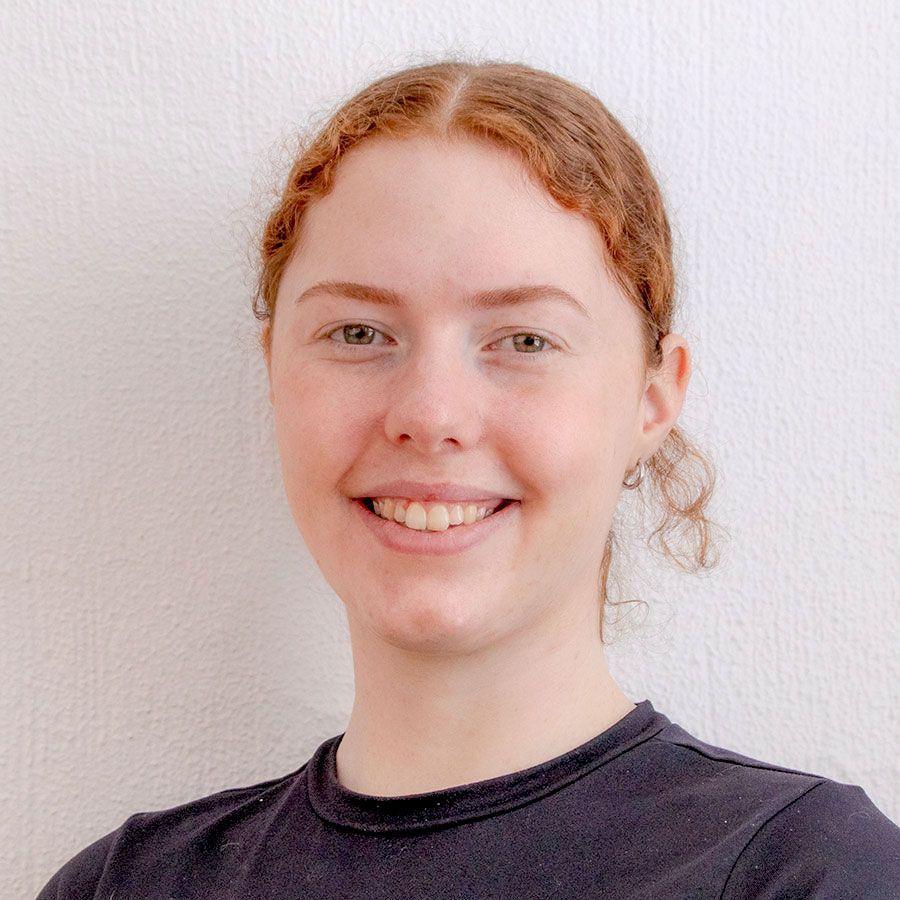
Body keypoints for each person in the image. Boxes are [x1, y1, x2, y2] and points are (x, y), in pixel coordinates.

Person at [37, 57, 900, 899]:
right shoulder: (127, 884)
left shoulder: (809, 873)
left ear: (651, 397)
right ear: (273, 368)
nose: (431, 412)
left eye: (523, 340)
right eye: (358, 333)